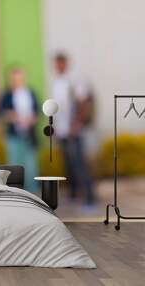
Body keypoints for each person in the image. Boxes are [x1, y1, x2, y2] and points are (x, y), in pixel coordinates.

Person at [51, 53, 95, 205]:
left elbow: (82, 104)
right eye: (55, 64)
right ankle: (73, 194)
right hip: (62, 130)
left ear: (65, 64)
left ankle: (90, 196)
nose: (56, 67)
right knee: (68, 163)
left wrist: (77, 123)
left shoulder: (74, 80)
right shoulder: (57, 82)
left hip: (74, 130)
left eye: (58, 64)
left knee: (79, 163)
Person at [0, 67, 39, 193]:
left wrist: (30, 119)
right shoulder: (7, 95)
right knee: (15, 165)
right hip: (13, 135)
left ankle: (32, 193)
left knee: (31, 166)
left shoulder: (30, 93)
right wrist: (12, 116)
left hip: (29, 135)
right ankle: (17, 192)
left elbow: (37, 113)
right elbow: (1, 114)